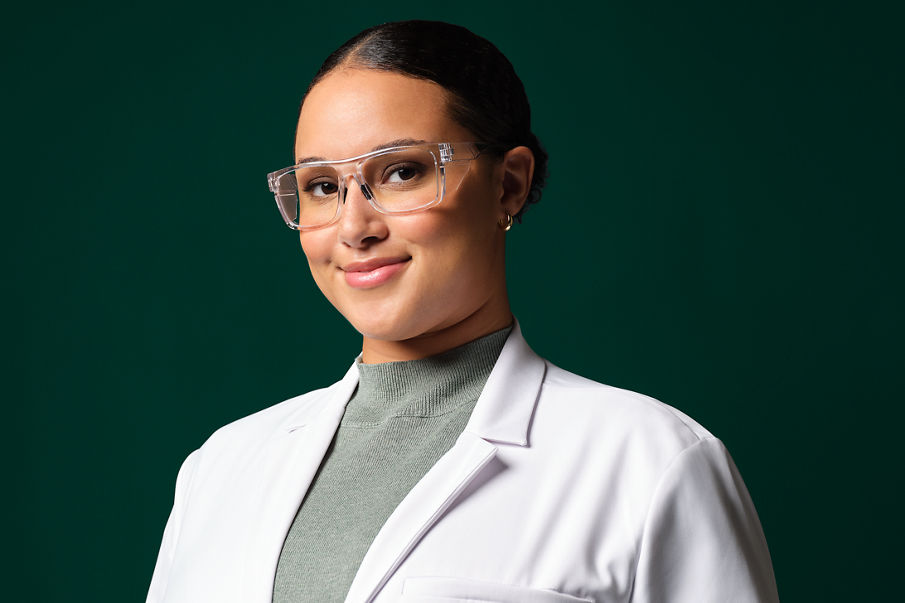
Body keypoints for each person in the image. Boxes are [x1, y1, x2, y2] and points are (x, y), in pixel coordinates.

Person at [147, 20, 779, 603]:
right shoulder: (220, 470)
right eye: (321, 187)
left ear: (509, 183)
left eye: (400, 172)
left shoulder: (651, 463)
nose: (354, 226)